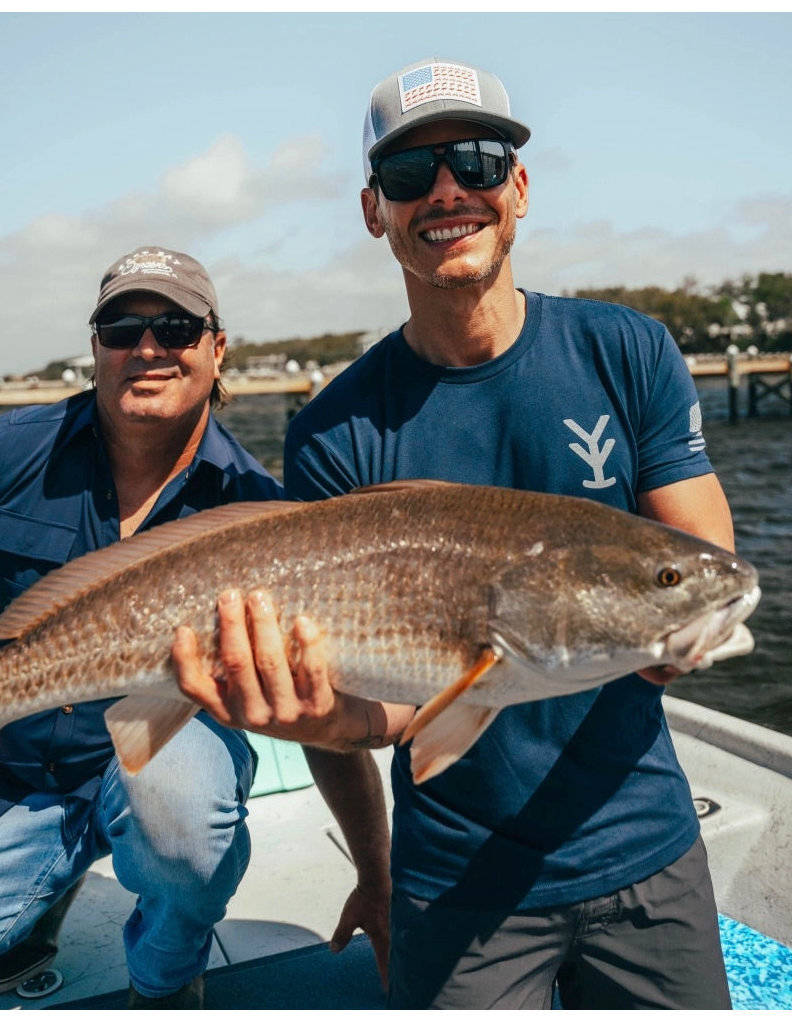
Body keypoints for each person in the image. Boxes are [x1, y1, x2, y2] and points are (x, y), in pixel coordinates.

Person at [173, 59, 737, 1009]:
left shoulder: (627, 350)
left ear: (518, 186)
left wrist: (675, 634)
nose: (446, 192)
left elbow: (697, 569)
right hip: (453, 881)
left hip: (645, 844)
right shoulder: (335, 429)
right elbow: (395, 709)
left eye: (475, 162)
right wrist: (332, 740)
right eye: (408, 176)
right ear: (373, 210)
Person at [0, 246, 284, 1009]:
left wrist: (374, 870)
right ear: (94, 348)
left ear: (218, 348)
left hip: (166, 747)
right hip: (10, 770)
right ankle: (40, 893)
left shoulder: (263, 501)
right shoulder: (4, 450)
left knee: (180, 811)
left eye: (175, 326)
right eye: (121, 326)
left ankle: (166, 972)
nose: (147, 347)